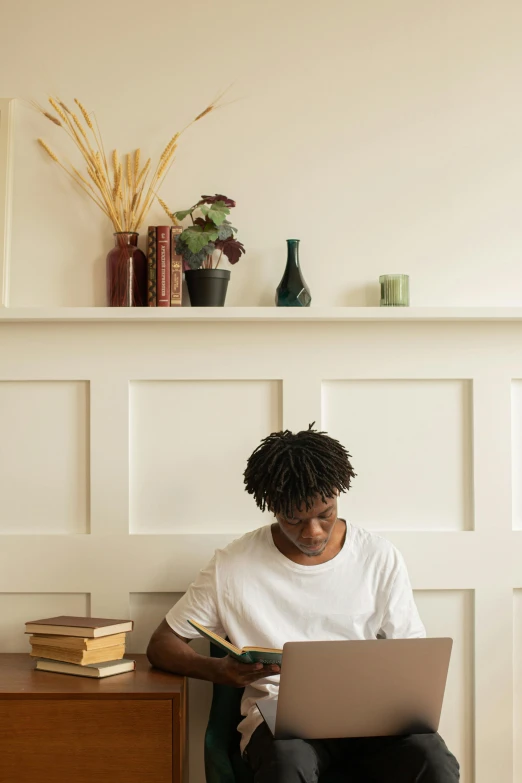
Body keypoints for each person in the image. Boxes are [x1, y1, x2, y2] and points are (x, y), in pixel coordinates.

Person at [147, 424, 460, 782]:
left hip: (374, 722)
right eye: (293, 519)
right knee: (287, 763)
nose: (312, 532)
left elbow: (412, 657)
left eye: (324, 513)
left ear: (338, 493)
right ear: (272, 507)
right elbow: (162, 644)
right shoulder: (232, 566)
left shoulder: (378, 556)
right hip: (283, 726)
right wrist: (218, 672)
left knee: (434, 761)